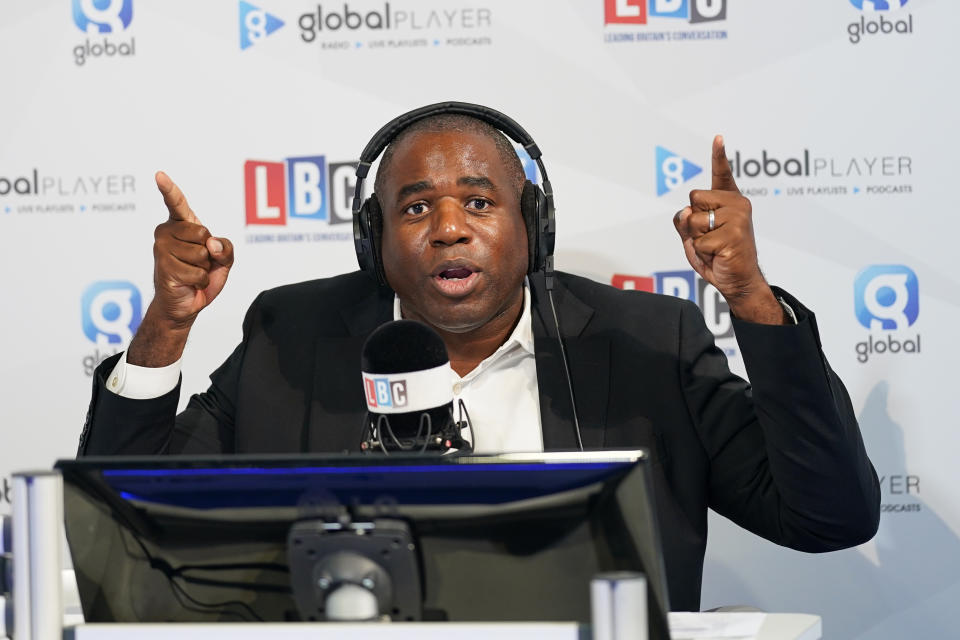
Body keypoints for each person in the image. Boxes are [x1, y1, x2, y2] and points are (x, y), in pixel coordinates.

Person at [78, 105, 881, 611]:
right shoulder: (292, 337)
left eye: (480, 201)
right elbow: (122, 531)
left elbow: (828, 515)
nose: (450, 227)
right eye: (417, 206)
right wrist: (168, 325)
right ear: (375, 241)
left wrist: (751, 301)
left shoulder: (650, 344)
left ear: (532, 226)